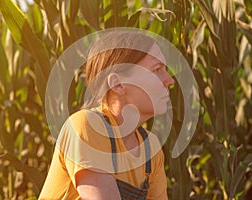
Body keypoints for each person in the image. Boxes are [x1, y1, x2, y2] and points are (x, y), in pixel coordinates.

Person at [39, 30, 175, 200]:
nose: (170, 80)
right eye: (157, 70)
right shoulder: (86, 126)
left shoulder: (151, 150)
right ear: (117, 84)